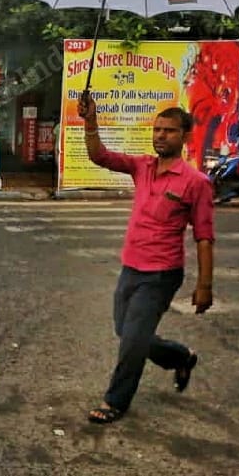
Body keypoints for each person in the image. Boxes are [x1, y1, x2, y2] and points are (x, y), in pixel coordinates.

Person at [78, 90, 215, 425]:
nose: (160, 136)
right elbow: (101, 157)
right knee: (127, 333)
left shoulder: (196, 182)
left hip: (161, 274)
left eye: (168, 130)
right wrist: (91, 121)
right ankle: (181, 357)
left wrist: (205, 286)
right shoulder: (142, 167)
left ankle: (116, 401)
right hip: (131, 267)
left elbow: (204, 237)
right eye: (157, 130)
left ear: (184, 136)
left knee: (132, 343)